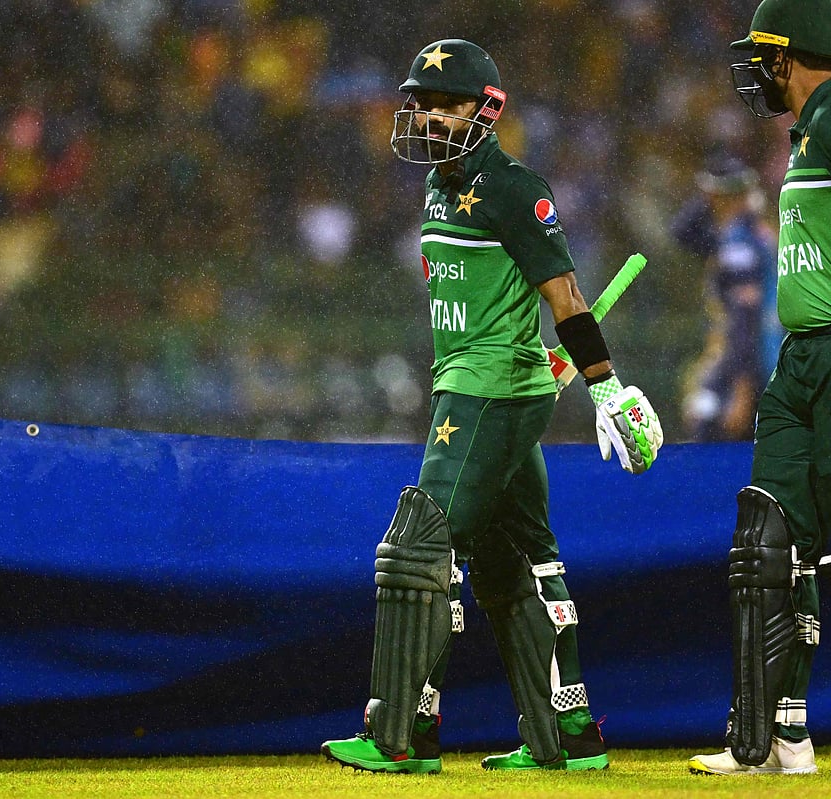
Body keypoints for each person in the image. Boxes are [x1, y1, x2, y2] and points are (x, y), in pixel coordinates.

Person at [319, 38, 663, 774]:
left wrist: (606, 385)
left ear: (487, 111)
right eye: (421, 104)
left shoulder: (512, 187)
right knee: (522, 562)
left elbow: (565, 296)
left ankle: (401, 735)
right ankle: (568, 736)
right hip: (485, 385)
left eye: (447, 105)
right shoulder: (437, 185)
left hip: (488, 392)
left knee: (420, 545)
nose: (428, 119)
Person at [689, 0, 831, 777]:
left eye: (765, 54)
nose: (757, 70)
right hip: (802, 357)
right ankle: (780, 734)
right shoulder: (807, 131)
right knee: (774, 542)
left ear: (794, 52)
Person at [670, 157, 777, 442]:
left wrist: (742, 389)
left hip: (747, 366)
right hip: (750, 361)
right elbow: (682, 233)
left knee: (707, 432)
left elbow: (746, 319)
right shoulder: (746, 233)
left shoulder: (740, 243)